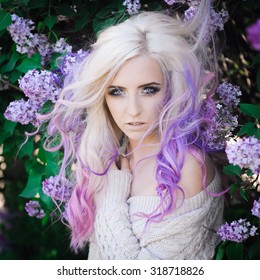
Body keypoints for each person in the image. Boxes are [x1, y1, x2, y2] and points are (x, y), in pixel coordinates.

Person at [44, 0, 225, 259]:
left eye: (149, 90)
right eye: (116, 92)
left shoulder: (186, 165)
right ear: (102, 98)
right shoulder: (111, 160)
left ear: (172, 89)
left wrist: (113, 195)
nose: (132, 110)